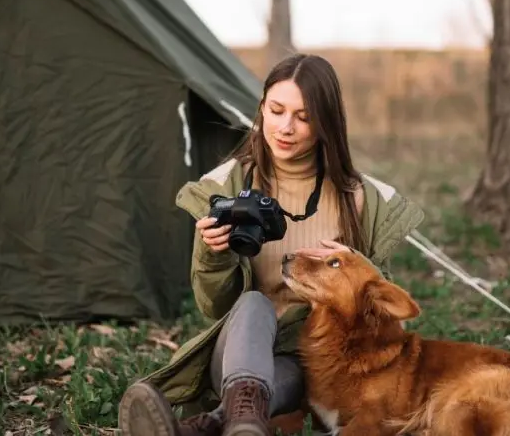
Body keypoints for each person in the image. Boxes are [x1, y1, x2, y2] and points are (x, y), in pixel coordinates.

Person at [117, 53, 425, 436]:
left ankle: (205, 428)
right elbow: (213, 307)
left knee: (297, 368)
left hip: (311, 359)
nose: (285, 127)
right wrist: (214, 256)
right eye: (276, 110)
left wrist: (353, 261)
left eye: (304, 117)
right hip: (237, 348)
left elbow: (375, 312)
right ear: (261, 108)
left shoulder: (359, 198)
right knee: (253, 302)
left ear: (325, 123)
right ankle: (238, 420)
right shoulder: (229, 184)